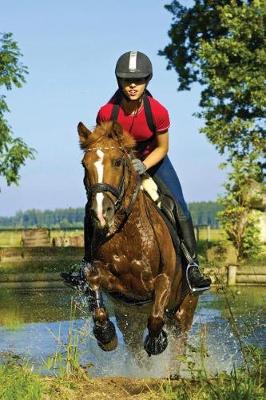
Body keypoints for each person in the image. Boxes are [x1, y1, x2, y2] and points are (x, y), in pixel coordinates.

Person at [62, 51, 211, 292]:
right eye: (126, 80)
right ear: (118, 81)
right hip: (120, 161)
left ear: (147, 81)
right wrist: (124, 164)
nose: (132, 85)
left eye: (139, 80)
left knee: (179, 204)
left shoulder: (158, 111)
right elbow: (104, 147)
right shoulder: (107, 112)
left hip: (154, 158)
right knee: (96, 204)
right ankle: (87, 265)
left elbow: (163, 147)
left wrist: (143, 165)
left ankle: (192, 266)